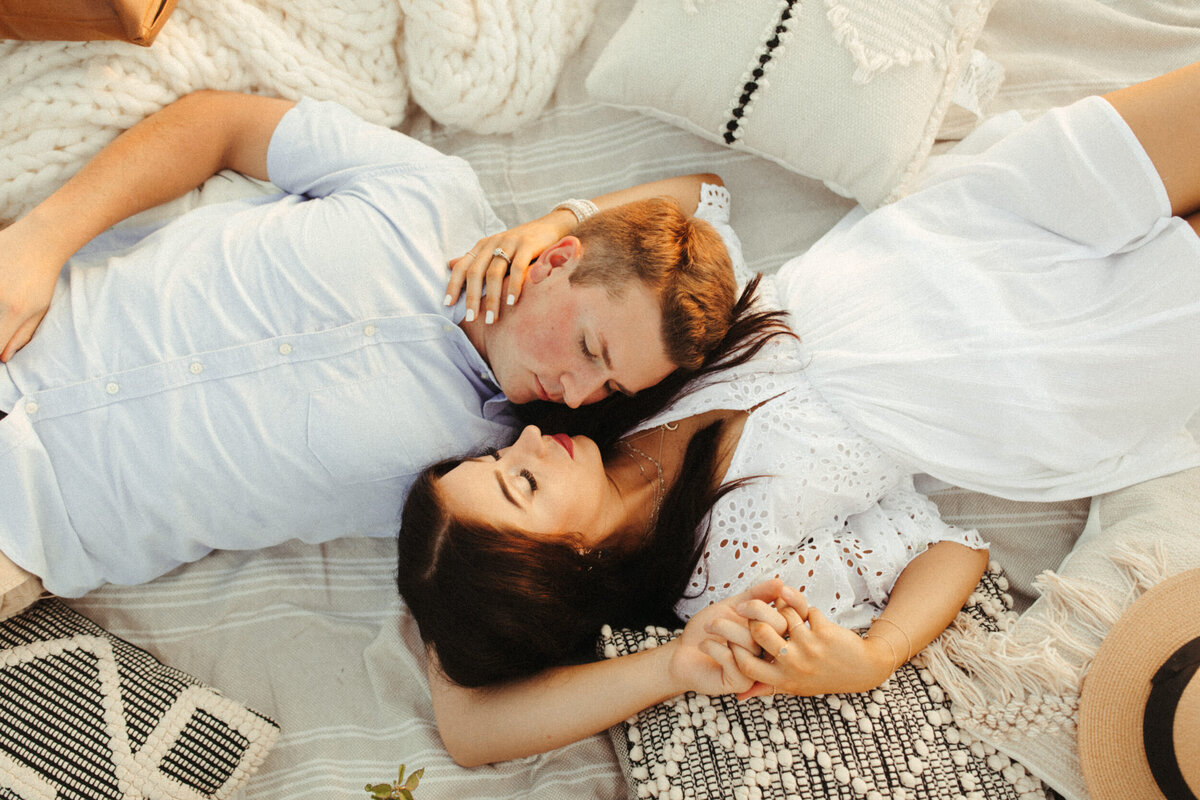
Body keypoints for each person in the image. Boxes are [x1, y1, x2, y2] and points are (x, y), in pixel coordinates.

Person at [398, 61, 1200, 766]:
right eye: (518, 488)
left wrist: (559, 223)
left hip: (949, 236)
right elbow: (951, 546)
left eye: (498, 462)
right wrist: (873, 654)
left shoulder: (613, 389)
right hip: (1016, 376)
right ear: (558, 565)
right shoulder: (724, 576)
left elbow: (700, 203)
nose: (527, 440)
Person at [0, 90, 738, 616]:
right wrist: (39, 242)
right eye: (590, 348)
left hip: (24, 524)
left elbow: (713, 206)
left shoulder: (488, 469)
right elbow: (219, 123)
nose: (577, 395)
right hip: (22, 311)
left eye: (608, 387)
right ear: (553, 263)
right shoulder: (426, 192)